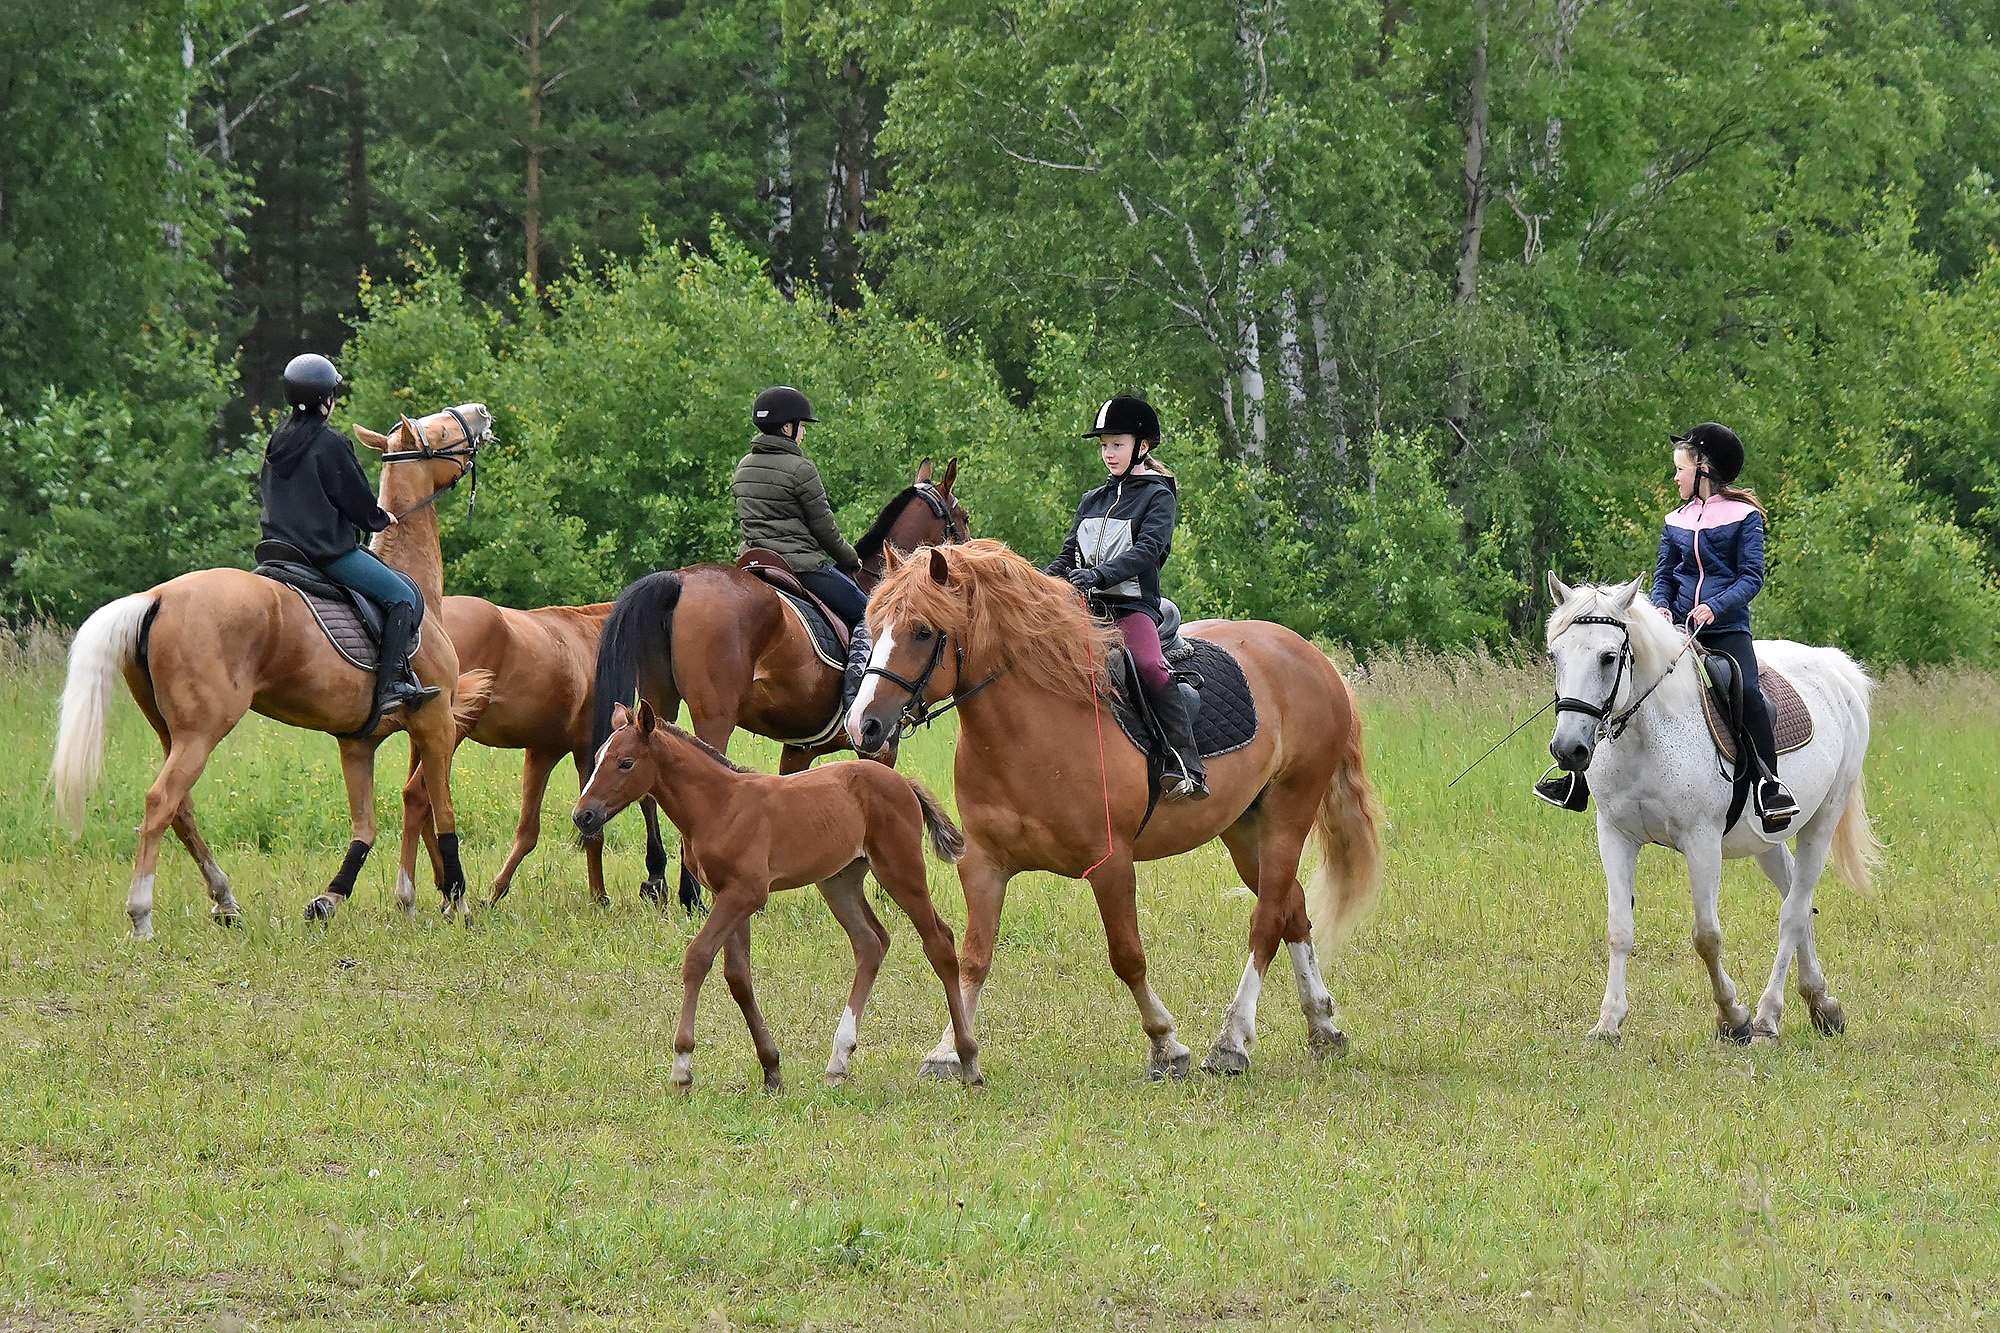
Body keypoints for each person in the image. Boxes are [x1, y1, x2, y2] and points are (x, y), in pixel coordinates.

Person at [1535, 422, 1798, 834]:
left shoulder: (1744, 517)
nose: (1675, 476)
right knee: (1614, 683)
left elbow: (1751, 577)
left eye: (1681, 469)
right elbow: (1665, 574)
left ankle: (1769, 785)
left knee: (1749, 694)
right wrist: (1659, 607)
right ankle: (1577, 778)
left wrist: (1715, 606)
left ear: (1704, 469)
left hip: (1725, 630)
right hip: (1673, 629)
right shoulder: (1676, 519)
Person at [259, 352, 438, 716]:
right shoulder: (330, 443)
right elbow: (354, 499)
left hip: (278, 550)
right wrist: (378, 518)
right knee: (401, 595)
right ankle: (391, 686)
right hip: (324, 553)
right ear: (327, 400)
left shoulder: (278, 441)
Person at [1046, 395, 1207, 800]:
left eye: (1116, 444)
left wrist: (1098, 575)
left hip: (1131, 608)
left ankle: (1185, 764)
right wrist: (1038, 583)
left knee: (1150, 666)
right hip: (1084, 609)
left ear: (1142, 446)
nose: (1108, 453)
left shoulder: (1158, 497)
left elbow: (1148, 551)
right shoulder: (1092, 500)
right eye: (1104, 446)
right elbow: (1068, 556)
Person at [732, 386, 873, 703]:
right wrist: (850, 559)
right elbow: (825, 530)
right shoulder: (801, 469)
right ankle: (854, 696)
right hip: (800, 566)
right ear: (787, 428)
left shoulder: (742, 467)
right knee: (869, 612)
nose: (804, 432)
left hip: (753, 563)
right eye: (802, 425)